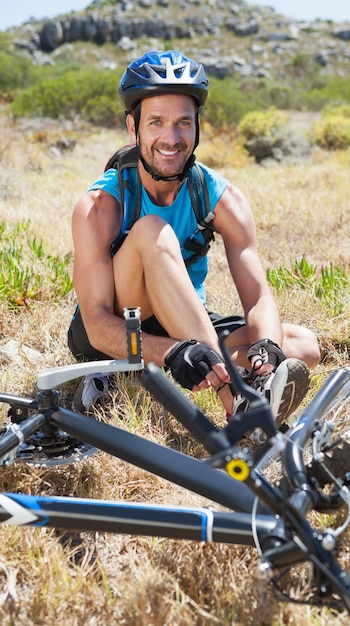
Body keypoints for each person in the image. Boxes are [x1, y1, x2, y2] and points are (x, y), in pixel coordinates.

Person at [68, 50, 320, 432]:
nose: (171, 138)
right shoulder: (100, 207)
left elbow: (258, 297)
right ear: (133, 127)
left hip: (183, 325)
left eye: (183, 122)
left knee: (300, 347)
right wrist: (172, 351)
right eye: (156, 122)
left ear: (197, 126)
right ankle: (237, 401)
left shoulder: (222, 198)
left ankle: (243, 380)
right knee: (153, 232)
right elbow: (97, 325)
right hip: (113, 330)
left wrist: (266, 350)